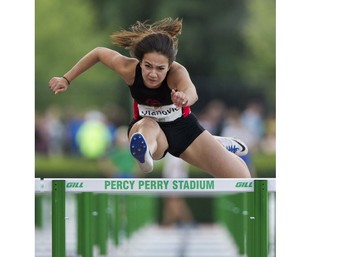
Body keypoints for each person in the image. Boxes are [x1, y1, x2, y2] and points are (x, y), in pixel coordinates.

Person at [48, 18, 251, 178]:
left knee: (241, 177)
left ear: (170, 65)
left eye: (160, 68)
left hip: (183, 129)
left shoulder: (177, 73)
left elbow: (192, 92)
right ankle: (144, 155)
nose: (153, 74)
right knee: (149, 126)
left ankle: (216, 144)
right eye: (148, 66)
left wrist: (184, 98)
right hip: (148, 129)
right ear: (140, 61)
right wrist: (66, 78)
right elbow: (99, 53)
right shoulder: (129, 69)